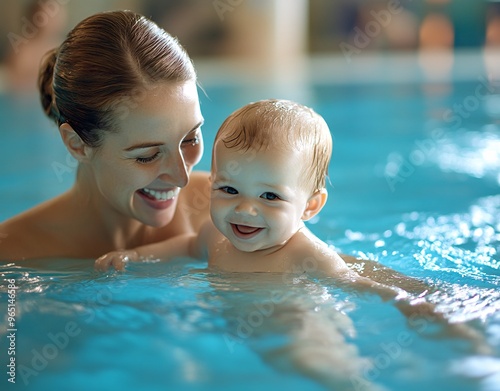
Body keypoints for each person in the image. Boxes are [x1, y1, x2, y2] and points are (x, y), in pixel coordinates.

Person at [95, 99, 416, 300]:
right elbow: (187, 247)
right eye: (230, 190)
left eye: (270, 196)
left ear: (310, 206)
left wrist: (407, 304)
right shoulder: (215, 235)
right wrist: (137, 256)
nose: (245, 209)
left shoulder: (306, 255)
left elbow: (358, 285)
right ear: (212, 184)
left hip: (296, 330)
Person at [0, 10, 210, 261]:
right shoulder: (13, 256)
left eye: (190, 139)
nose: (181, 177)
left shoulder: (232, 211)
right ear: (77, 145)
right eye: (147, 156)